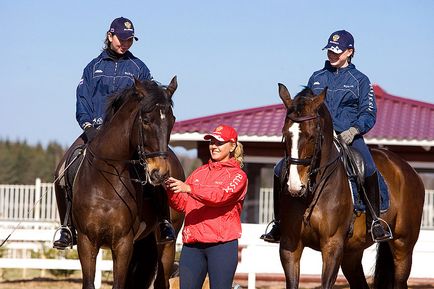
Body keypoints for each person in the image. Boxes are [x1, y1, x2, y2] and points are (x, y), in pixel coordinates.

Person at [53, 17, 176, 250]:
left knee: (155, 170)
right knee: (62, 170)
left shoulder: (139, 68)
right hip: (94, 131)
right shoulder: (92, 67)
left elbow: (149, 102)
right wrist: (87, 125)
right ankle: (67, 227)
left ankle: (163, 221)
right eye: (122, 38)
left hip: (127, 137)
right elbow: (82, 99)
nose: (126, 43)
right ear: (110, 36)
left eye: (130, 40)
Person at [260, 30, 392, 243]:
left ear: (349, 52)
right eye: (330, 50)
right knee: (279, 169)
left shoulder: (360, 80)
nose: (332, 54)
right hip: (319, 136)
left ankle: (375, 221)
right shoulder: (317, 77)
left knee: (367, 167)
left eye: (337, 51)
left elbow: (369, 112)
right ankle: (279, 222)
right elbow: (304, 108)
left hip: (349, 135)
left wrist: (355, 130)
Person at [164, 124, 248, 289]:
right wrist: (171, 191)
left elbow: (220, 196)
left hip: (221, 245)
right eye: (211, 142)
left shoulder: (239, 176)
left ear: (232, 146)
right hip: (193, 245)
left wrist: (188, 188)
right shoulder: (199, 172)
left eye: (219, 143)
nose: (213, 146)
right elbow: (183, 204)